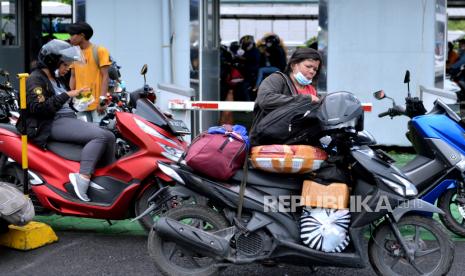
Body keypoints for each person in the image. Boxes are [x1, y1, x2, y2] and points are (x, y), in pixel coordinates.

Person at [16, 39, 116, 202]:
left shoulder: (57, 80)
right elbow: (39, 108)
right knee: (101, 136)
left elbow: (64, 104)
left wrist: (79, 100)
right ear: (52, 62)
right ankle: (82, 179)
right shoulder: (36, 80)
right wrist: (68, 95)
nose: (68, 68)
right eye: (65, 65)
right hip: (50, 123)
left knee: (110, 136)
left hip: (66, 118)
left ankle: (103, 181)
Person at [249, 48, 322, 145]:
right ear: (293, 65)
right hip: (268, 145)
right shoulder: (276, 80)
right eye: (308, 66)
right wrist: (305, 99)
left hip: (299, 146)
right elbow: (266, 100)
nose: (312, 71)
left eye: (315, 69)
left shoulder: (312, 90)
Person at [67, 22, 111, 123]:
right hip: (80, 104)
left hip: (97, 104)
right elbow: (73, 76)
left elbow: (105, 76)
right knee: (84, 135)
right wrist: (71, 98)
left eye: (72, 35)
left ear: (82, 35)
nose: (70, 38)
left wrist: (102, 100)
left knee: (99, 132)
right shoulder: (74, 53)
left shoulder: (100, 50)